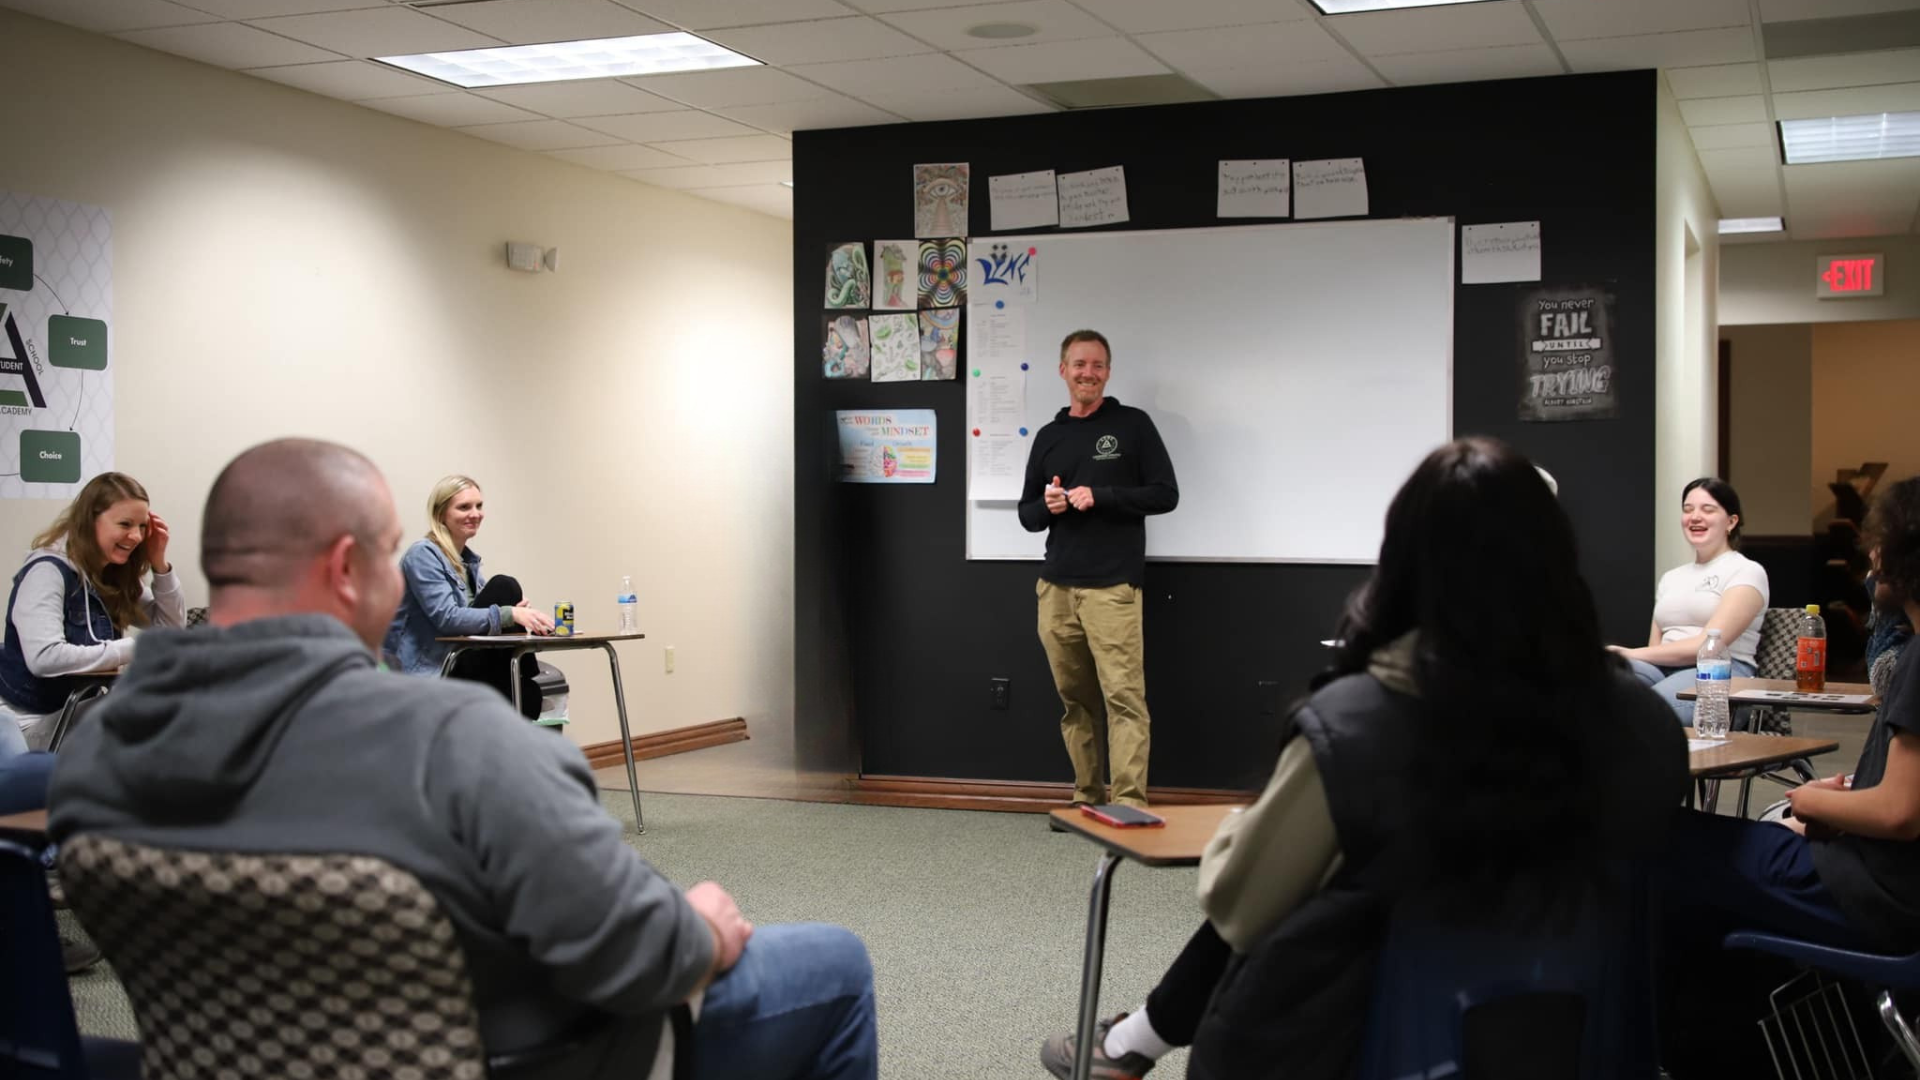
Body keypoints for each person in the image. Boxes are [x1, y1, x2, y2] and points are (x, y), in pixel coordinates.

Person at [49, 438, 877, 1080]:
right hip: (524, 1062)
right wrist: (698, 925)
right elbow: (629, 953)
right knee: (834, 964)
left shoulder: (97, 754)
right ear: (347, 570)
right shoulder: (463, 742)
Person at [1040, 437, 1687, 1079]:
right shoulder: (1647, 724)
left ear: (1403, 559)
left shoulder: (1354, 727)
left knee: (1297, 892)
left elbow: (1238, 901)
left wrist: (1247, 823)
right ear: (1559, 556)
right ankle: (1132, 1042)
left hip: (1372, 1046)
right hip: (1585, 1045)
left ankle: (1130, 1043)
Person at [1656, 476, 1920, 1077]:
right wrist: (1849, 796)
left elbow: (1900, 814)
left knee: (1662, 844)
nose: (1869, 564)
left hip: (1876, 895)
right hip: (1878, 879)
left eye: (1877, 550)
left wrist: (1810, 802)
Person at [1017, 329, 1178, 809]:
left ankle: (1128, 804)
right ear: (1063, 370)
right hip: (1057, 589)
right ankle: (1086, 798)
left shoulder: (1133, 425)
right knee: (1075, 704)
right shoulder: (1049, 436)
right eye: (1080, 364)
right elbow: (1027, 516)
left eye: (1098, 365)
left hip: (1113, 588)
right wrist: (1049, 506)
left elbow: (1165, 494)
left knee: (1124, 700)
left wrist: (1102, 496)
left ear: (1108, 372)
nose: (1089, 373)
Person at [0, 471, 186, 749]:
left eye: (143, 526)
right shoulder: (47, 572)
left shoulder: (112, 574)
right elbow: (44, 658)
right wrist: (132, 649)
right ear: (90, 521)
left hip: (72, 710)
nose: (136, 536)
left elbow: (170, 630)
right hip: (30, 724)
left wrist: (160, 564)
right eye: (125, 524)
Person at [384, 474, 554, 718]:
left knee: (528, 694)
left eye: (479, 506)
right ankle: (526, 672)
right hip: (435, 669)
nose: (475, 514)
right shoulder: (422, 555)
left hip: (464, 661)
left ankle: (524, 676)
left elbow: (477, 617)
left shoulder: (468, 562)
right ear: (441, 513)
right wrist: (510, 613)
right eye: (464, 507)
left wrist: (517, 615)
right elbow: (449, 619)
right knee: (504, 586)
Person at [1612, 477, 1769, 723]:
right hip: (1661, 669)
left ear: (1731, 521)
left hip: (1720, 673)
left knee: (1643, 714)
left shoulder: (1746, 571)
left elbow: (1707, 647)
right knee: (1594, 683)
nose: (1695, 517)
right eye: (1688, 510)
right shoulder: (1671, 577)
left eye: (1708, 510)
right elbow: (1656, 648)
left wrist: (1629, 653)